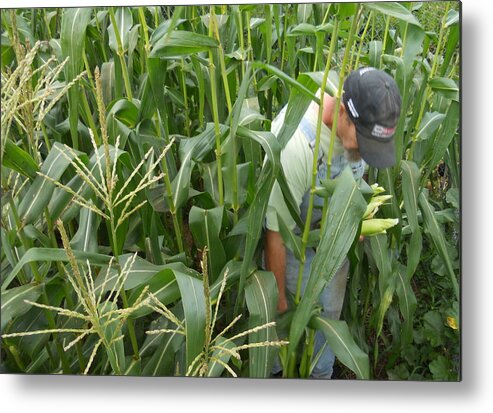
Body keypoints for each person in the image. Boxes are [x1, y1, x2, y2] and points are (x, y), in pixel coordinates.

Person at [264, 67, 402, 378]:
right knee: (280, 344)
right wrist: (279, 302)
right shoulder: (296, 144)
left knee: (324, 337)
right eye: (363, 142)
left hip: (333, 242)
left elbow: (358, 176)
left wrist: (354, 219)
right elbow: (275, 233)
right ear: (343, 113)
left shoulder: (358, 130)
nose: (365, 152)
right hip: (293, 244)